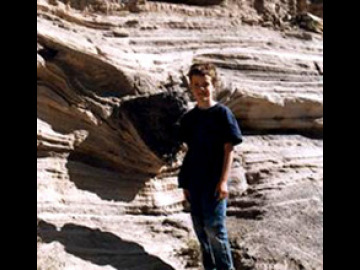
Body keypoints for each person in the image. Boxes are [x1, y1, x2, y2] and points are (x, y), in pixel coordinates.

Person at [177, 63, 243, 270]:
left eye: (205, 84)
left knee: (215, 229)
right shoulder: (189, 119)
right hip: (194, 181)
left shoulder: (222, 114)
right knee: (200, 229)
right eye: (196, 85)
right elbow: (189, 151)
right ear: (191, 87)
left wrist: (223, 181)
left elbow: (228, 149)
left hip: (214, 182)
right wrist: (185, 183)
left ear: (213, 85)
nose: (201, 89)